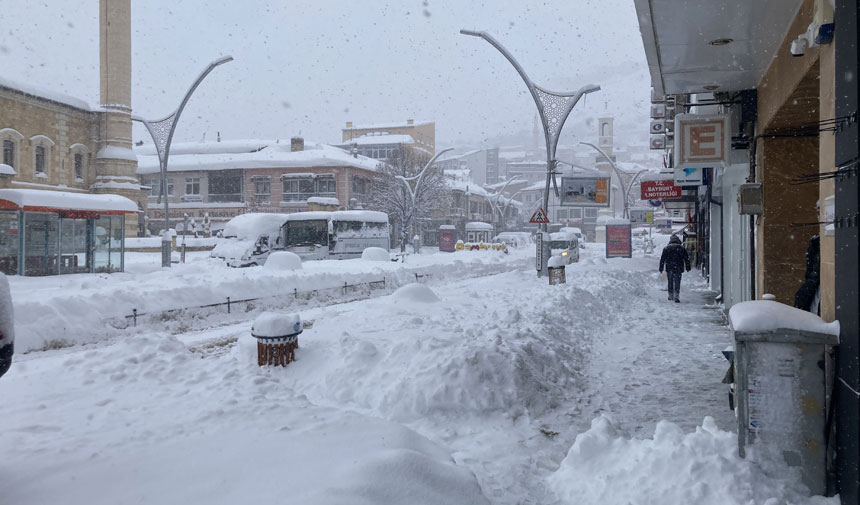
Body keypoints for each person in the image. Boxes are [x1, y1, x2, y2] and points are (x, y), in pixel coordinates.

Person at [659, 234, 691, 303]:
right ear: (677, 240)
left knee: (670, 281)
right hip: (678, 267)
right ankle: (676, 295)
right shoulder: (681, 248)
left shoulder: (666, 248)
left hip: (669, 267)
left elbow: (662, 259)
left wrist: (661, 268)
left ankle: (670, 295)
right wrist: (688, 267)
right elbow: (686, 258)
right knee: (677, 281)